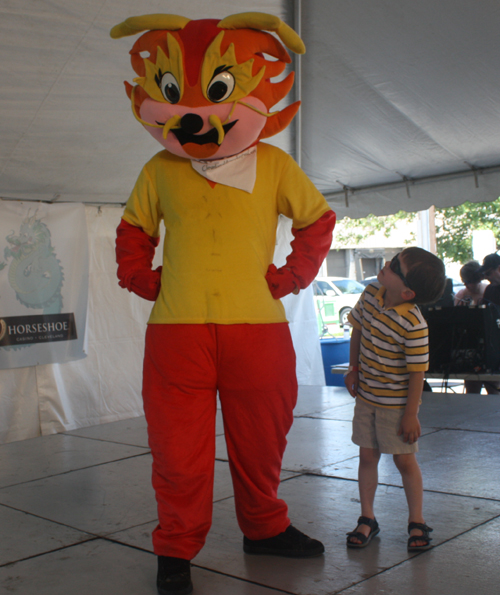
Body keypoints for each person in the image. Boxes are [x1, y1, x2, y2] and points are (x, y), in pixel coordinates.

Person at [111, 13, 334, 595]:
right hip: (178, 331)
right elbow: (134, 228)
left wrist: (292, 276)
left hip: (255, 329)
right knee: (177, 451)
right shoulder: (160, 169)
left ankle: (263, 527)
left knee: (261, 441)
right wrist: (139, 275)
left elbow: (317, 220)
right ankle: (176, 549)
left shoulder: (275, 164)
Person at [344, 247, 446, 552]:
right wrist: (353, 369)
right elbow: (357, 332)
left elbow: (417, 373)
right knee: (366, 457)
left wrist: (410, 414)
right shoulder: (371, 293)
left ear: (407, 291)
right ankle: (367, 518)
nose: (385, 265)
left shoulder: (414, 325)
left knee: (403, 460)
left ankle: (417, 520)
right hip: (367, 398)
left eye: (393, 266)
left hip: (397, 405)